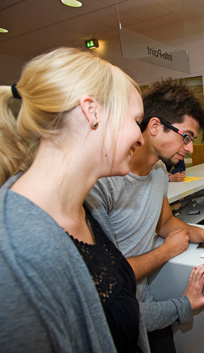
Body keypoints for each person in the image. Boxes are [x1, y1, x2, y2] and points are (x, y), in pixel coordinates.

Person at [0, 47, 151, 352]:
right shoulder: (17, 255)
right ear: (91, 111)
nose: (141, 137)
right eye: (136, 120)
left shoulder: (89, 209)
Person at [86, 78, 204, 353]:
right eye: (186, 136)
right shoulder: (102, 184)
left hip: (143, 298)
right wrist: (166, 252)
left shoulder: (157, 174)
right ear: (154, 126)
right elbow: (110, 280)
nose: (189, 148)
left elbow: (164, 222)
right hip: (119, 312)